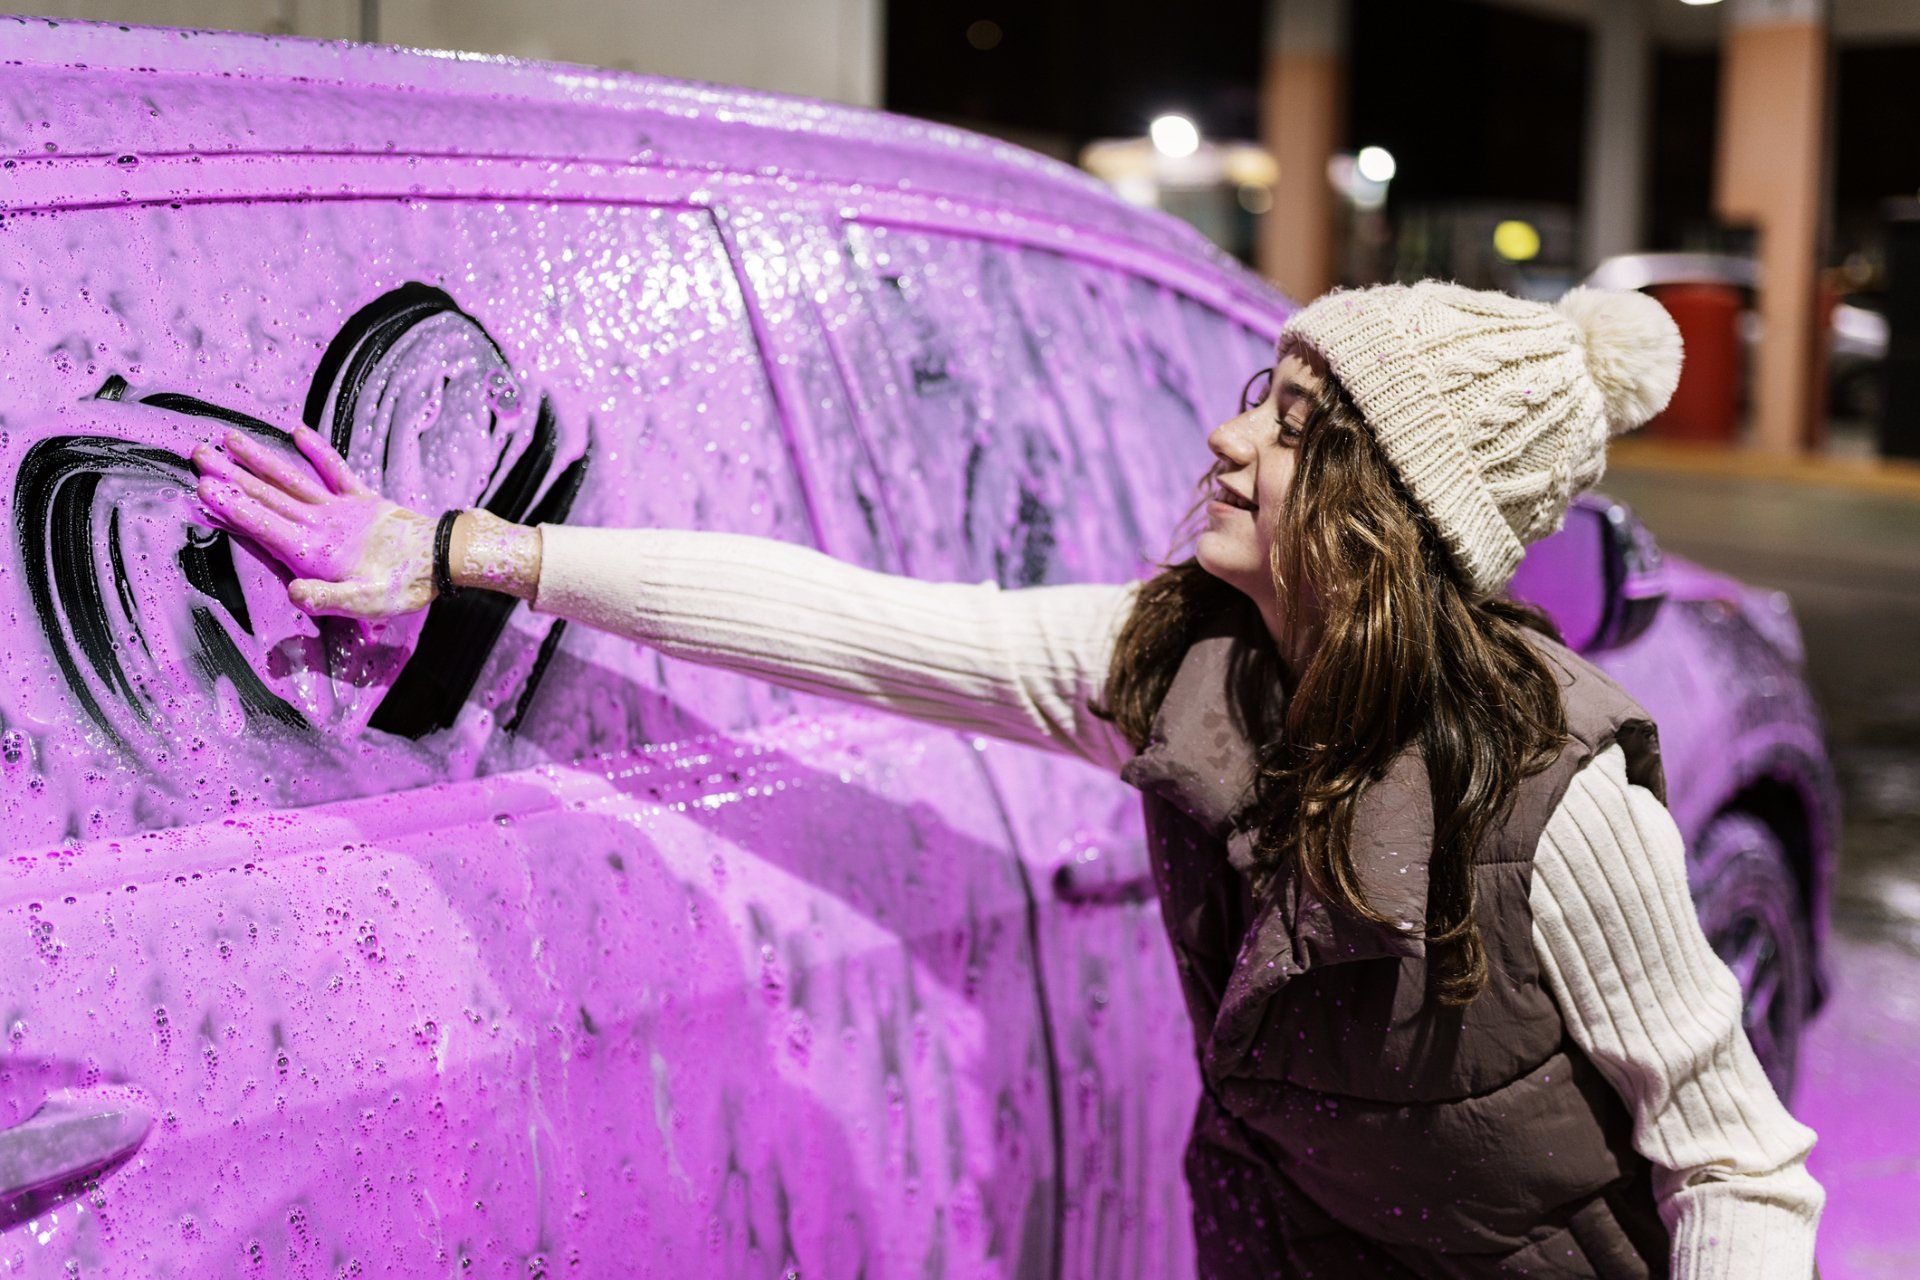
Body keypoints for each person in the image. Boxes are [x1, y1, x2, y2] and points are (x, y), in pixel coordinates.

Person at [191, 281, 1823, 1278]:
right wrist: (469, 552)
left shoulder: (1552, 797)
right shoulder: (1171, 666)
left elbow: (1736, 1164)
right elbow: (844, 621)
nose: (1232, 436)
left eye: (1298, 421)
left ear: (1388, 515)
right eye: (1264, 390)